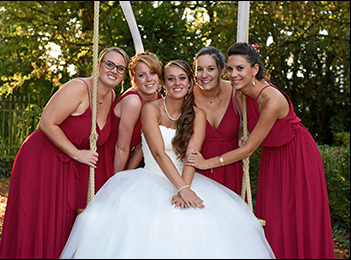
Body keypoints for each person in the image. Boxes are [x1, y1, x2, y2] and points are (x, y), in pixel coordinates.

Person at [59, 60, 275, 259]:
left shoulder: (198, 115)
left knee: (209, 224)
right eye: (170, 78)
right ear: (164, 83)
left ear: (190, 84)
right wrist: (181, 189)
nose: (176, 83)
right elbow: (158, 153)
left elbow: (192, 156)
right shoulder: (150, 109)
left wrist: (186, 187)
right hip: (152, 178)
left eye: (182, 78)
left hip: (186, 178)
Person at [185, 42, 335, 259]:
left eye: (240, 68)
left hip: (297, 155)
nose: (234, 74)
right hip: (272, 156)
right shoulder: (240, 94)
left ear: (254, 69)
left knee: (299, 217)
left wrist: (206, 163)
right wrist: (244, 136)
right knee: (273, 218)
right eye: (230, 68)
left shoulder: (271, 99)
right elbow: (246, 131)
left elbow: (247, 150)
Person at [0, 47, 130, 259]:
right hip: (43, 160)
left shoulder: (112, 95)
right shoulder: (78, 88)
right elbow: (47, 123)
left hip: (68, 167)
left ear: (124, 75)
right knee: (38, 222)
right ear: (99, 64)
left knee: (61, 225)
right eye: (109, 64)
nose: (114, 70)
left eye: (120, 68)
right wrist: (77, 154)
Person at [99, 51, 163, 183]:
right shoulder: (133, 102)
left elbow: (142, 145)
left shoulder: (159, 99)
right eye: (141, 75)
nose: (149, 79)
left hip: (124, 158)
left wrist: (127, 175)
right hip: (106, 158)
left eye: (152, 73)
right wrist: (116, 182)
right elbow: (121, 148)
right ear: (134, 80)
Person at [192, 46, 243, 195]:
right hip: (198, 169)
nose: (204, 75)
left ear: (221, 70)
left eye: (210, 69)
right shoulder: (187, 96)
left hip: (231, 167)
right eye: (199, 69)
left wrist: (243, 138)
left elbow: (244, 127)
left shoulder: (237, 93)